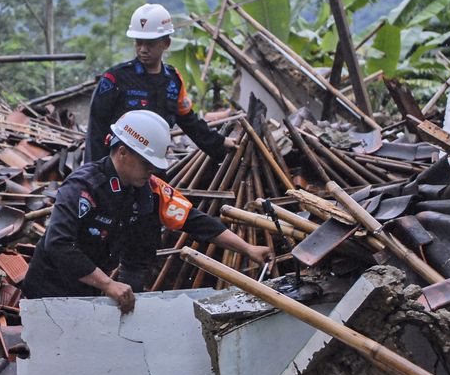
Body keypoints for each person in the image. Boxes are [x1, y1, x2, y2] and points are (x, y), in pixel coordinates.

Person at [23, 110, 270, 313]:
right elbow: (58, 244)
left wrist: (248, 249)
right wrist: (108, 284)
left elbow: (194, 221)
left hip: (90, 290)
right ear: (123, 152)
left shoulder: (149, 189)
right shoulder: (83, 187)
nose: (151, 170)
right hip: (49, 288)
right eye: (146, 163)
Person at [83, 3, 237, 165]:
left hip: (154, 168)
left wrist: (220, 143)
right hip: (119, 169)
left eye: (149, 43)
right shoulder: (115, 79)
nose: (143, 49)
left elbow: (190, 123)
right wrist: (95, 173)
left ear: (166, 43)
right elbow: (96, 131)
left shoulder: (173, 81)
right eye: (138, 42)